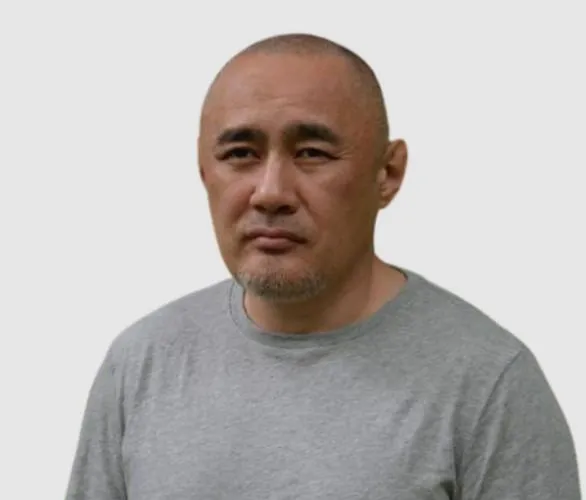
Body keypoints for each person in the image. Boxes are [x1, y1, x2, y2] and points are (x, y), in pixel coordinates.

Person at [65, 33, 581, 499]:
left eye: (312, 153)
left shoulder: (489, 386)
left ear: (388, 173)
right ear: (205, 173)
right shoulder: (140, 365)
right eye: (240, 153)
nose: (270, 192)